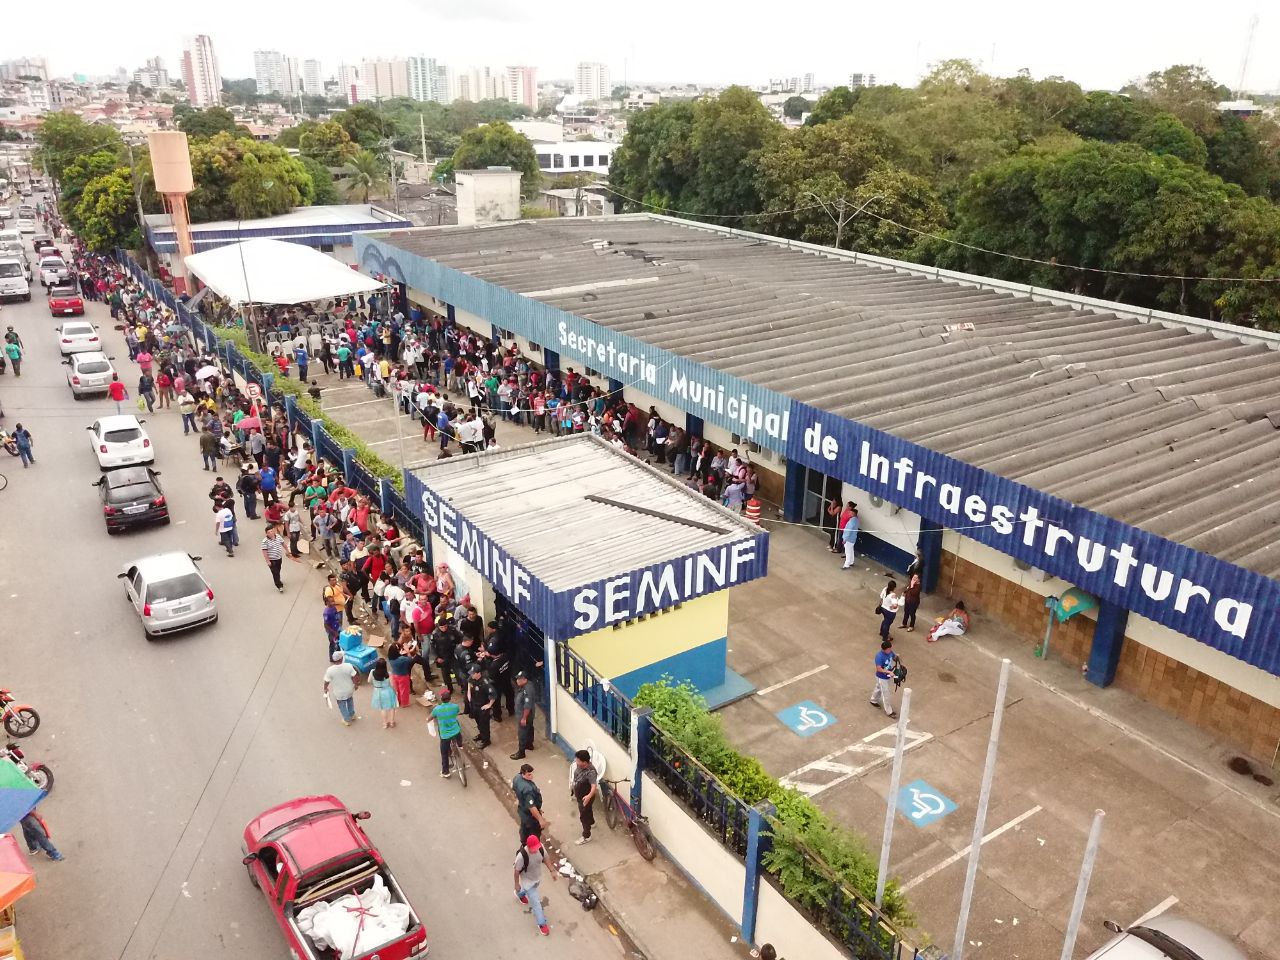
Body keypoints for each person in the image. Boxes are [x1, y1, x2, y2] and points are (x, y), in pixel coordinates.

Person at [513, 834, 555, 937]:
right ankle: (542, 924)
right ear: (528, 846)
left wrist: (552, 870)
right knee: (536, 903)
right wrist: (517, 884)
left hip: (536, 878)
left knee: (531, 891)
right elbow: (516, 871)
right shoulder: (521, 856)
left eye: (537, 848)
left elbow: (546, 858)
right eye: (533, 849)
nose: (536, 850)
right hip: (527, 881)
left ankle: (520, 894)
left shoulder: (540, 848)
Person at [512, 762, 549, 844]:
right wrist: (540, 819)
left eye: (532, 773)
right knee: (534, 832)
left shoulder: (517, 778)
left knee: (524, 828)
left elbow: (514, 789)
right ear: (523, 774)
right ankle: (533, 847)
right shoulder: (527, 789)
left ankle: (524, 842)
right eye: (529, 775)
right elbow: (532, 807)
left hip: (522, 810)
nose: (532, 776)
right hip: (530, 815)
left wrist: (520, 799)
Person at [431, 688, 463, 777]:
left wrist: (428, 720)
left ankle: (446, 772)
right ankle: (460, 745)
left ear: (441, 699)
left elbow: (430, 717)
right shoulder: (455, 706)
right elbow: (457, 713)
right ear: (450, 698)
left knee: (444, 753)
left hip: (445, 735)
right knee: (458, 733)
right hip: (456, 731)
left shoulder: (437, 709)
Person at [323, 650, 360, 726]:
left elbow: (326, 681)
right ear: (341, 658)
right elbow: (354, 676)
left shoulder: (330, 670)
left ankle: (347, 720)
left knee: (342, 705)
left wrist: (325, 688)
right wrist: (356, 685)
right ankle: (352, 715)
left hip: (339, 693)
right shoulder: (348, 666)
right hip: (349, 689)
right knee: (350, 701)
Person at [571, 748, 599, 845]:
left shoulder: (591, 772)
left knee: (584, 816)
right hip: (580, 794)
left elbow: (594, 786)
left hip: (585, 797)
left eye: (578, 760)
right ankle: (592, 822)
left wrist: (588, 796)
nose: (576, 762)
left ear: (585, 762)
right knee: (588, 810)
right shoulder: (580, 766)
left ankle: (586, 836)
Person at [467, 662, 496, 748]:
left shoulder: (485, 682)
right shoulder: (471, 678)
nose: (471, 675)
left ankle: (486, 740)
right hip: (474, 704)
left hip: (482, 706)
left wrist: (489, 705)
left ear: (478, 673)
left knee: (484, 724)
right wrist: (469, 694)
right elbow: (469, 683)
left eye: (473, 673)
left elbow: (493, 694)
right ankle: (481, 734)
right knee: (478, 722)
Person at [510, 671, 536, 760]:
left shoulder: (527, 689)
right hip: (528, 714)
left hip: (525, 715)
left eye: (519, 679)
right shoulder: (526, 685)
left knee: (522, 733)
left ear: (525, 679)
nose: (517, 680)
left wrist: (524, 718)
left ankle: (521, 752)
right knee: (529, 729)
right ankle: (529, 744)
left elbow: (527, 705)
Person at [871, 639, 898, 718]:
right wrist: (889, 672)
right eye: (888, 649)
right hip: (881, 677)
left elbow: (893, 656)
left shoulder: (889, 652)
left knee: (879, 688)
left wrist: (896, 658)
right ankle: (889, 712)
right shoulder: (879, 657)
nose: (890, 651)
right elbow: (879, 669)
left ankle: (873, 700)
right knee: (886, 694)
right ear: (884, 649)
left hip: (887, 676)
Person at [370, 657, 398, 729]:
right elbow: (392, 685)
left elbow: (369, 681)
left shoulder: (372, 672)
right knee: (392, 707)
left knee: (383, 708)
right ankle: (392, 722)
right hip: (388, 692)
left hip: (378, 692)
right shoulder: (388, 674)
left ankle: (385, 724)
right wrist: (396, 691)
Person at [387, 642, 414, 708]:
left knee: (398, 690)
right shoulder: (402, 659)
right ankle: (404, 703)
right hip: (403, 676)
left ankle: (398, 701)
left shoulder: (390, 657)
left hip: (394, 675)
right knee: (404, 690)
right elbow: (410, 659)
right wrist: (407, 650)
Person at [261, 525, 286, 592]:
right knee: (275, 572)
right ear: (266, 533)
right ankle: (279, 586)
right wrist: (268, 561)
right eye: (269, 532)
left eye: (272, 531)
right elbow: (264, 552)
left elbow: (283, 544)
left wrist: (287, 551)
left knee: (278, 570)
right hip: (272, 560)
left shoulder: (278, 537)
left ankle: (278, 580)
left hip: (279, 558)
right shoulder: (265, 541)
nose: (271, 533)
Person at [323, 595, 343, 660]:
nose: (333, 603)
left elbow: (336, 615)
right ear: (327, 602)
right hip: (332, 631)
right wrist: (334, 633)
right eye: (331, 602)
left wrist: (339, 622)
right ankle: (332, 657)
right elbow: (326, 625)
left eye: (333, 601)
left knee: (339, 641)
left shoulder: (333, 607)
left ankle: (338, 654)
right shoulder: (327, 613)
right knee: (333, 643)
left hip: (337, 627)